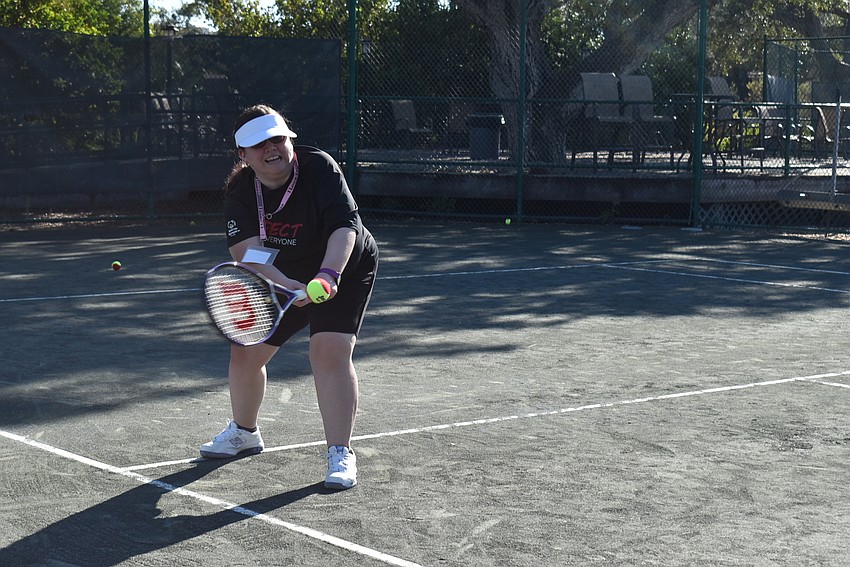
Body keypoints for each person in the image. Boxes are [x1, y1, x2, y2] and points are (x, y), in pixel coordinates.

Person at [200, 104, 379, 491]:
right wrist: (284, 284)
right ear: (243, 155)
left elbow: (345, 227)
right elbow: (247, 252)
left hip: (343, 265)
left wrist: (328, 275)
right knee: (245, 352)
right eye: (259, 145)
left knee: (327, 351)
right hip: (286, 272)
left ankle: (340, 452)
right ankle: (244, 433)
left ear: (289, 140)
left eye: (277, 139)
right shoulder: (241, 193)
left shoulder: (319, 168)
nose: (271, 148)